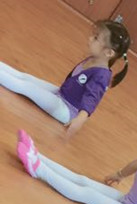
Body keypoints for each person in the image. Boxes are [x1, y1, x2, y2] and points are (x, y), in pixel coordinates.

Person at [0, 19, 130, 136]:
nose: (90, 38)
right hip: (62, 94)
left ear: (108, 52)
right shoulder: (93, 59)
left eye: (96, 38)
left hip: (67, 110)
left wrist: (80, 119)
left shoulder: (102, 75)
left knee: (25, 86)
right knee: (25, 77)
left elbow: (92, 98)